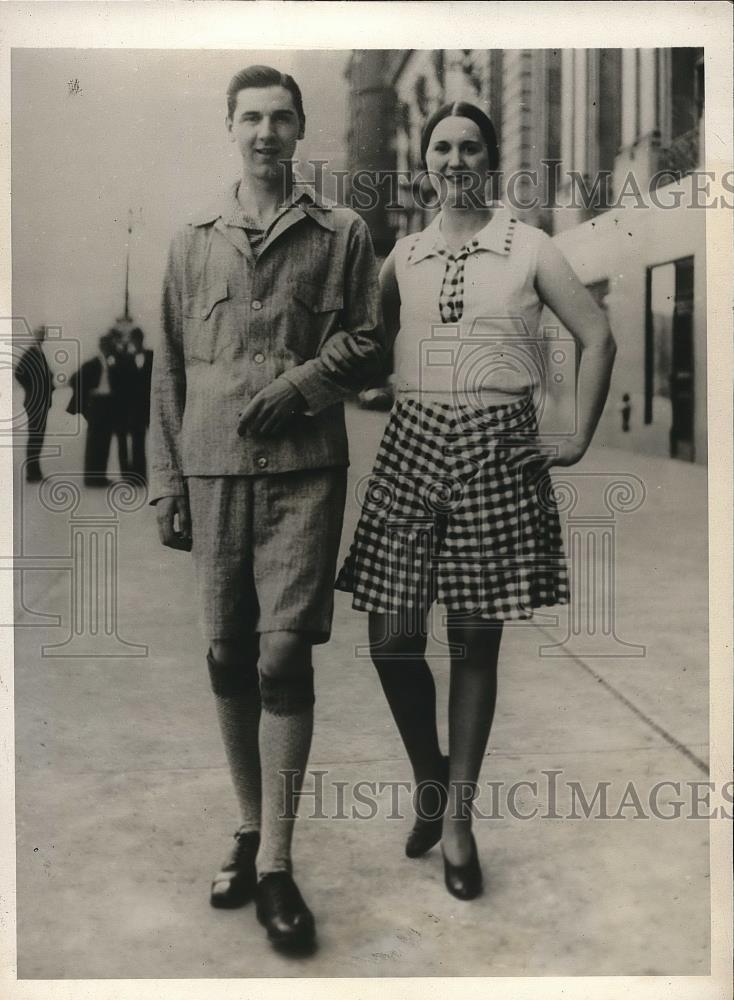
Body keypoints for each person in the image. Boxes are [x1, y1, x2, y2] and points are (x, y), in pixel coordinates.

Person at [329, 101, 617, 901]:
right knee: (391, 636)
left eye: (470, 148)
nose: (455, 160)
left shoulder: (529, 247)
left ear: (489, 160)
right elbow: (362, 341)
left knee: (473, 647)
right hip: (414, 442)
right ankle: (430, 778)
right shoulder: (404, 254)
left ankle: (458, 819)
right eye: (442, 148)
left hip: (499, 444)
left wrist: (575, 437)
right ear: (426, 162)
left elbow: (598, 335)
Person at [149, 65, 382, 949]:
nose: (265, 134)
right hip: (211, 475)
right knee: (225, 652)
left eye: (281, 119)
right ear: (231, 128)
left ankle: (279, 864)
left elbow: (366, 338)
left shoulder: (342, 231)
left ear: (300, 129)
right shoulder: (192, 241)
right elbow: (170, 370)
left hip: (304, 473)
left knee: (283, 656)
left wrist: (301, 383)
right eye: (250, 118)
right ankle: (249, 827)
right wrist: (169, 484)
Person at [67, 331, 121, 487]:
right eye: (105, 345)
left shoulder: (112, 363)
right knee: (93, 443)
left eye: (109, 345)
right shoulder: (92, 363)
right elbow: (73, 380)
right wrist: (87, 396)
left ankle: (100, 477)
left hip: (108, 405)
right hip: (96, 405)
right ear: (101, 346)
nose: (108, 348)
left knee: (105, 441)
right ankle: (91, 479)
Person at [15, 324, 54, 483]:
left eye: (43, 334)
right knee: (35, 437)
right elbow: (19, 373)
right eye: (40, 334)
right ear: (35, 335)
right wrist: (32, 388)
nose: (42, 337)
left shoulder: (38, 352)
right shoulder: (31, 353)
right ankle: (33, 474)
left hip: (41, 401)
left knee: (38, 437)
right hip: (35, 402)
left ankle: (35, 472)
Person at [124, 327, 153, 482]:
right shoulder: (126, 359)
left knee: (156, 442)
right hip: (134, 408)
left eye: (138, 338)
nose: (136, 342)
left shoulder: (152, 356)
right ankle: (137, 476)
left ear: (142, 339)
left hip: (150, 406)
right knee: (136, 442)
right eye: (134, 339)